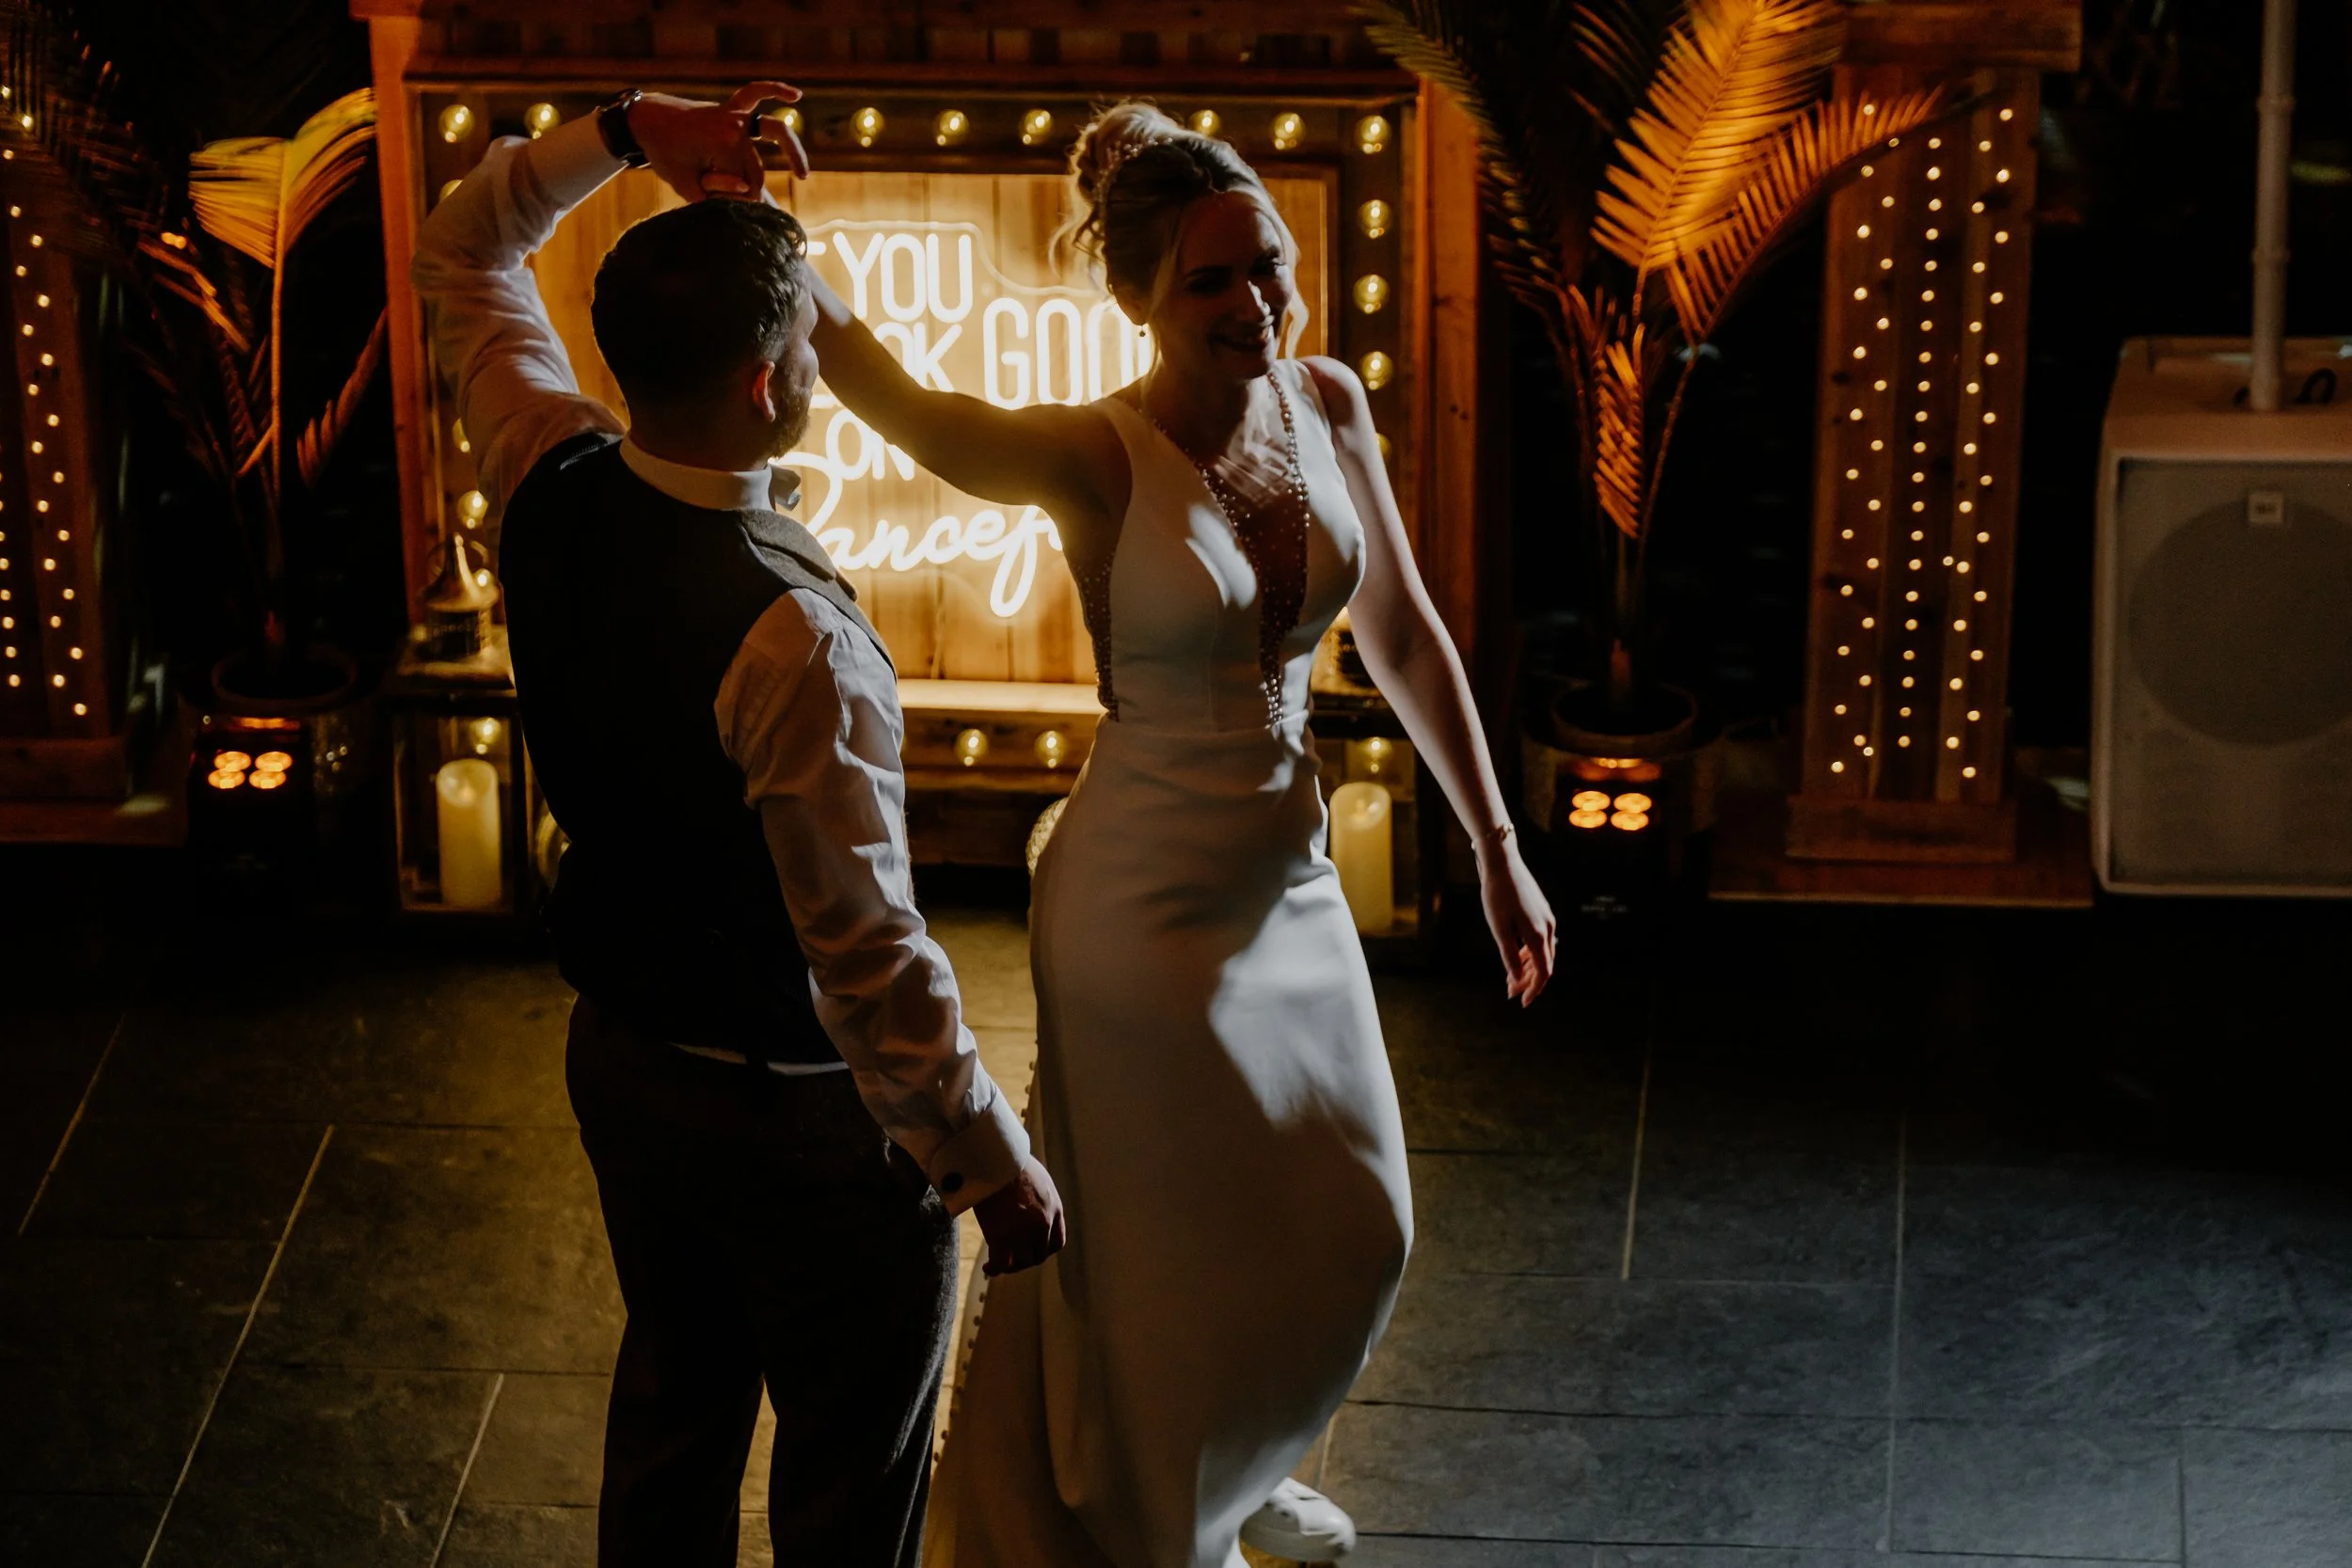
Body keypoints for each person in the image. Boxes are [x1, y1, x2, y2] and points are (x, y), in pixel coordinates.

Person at [792, 101, 1558, 1568]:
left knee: (1356, 1217)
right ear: (1141, 299)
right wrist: (787, 247)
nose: (1257, 301)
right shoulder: (1098, 457)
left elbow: (1397, 628)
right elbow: (913, 413)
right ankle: (1165, 1520)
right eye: (1213, 280)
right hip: (1134, 906)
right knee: (1155, 1263)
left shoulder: (1329, 401)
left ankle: (1243, 1454)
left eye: (1267, 263)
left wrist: (1498, 842)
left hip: (1285, 878)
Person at [410, 83, 1065, 1568]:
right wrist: (985, 1157)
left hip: (630, 1067)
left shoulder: (544, 471)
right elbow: (866, 951)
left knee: (673, 1421)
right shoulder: (799, 642)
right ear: (775, 383)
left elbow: (462, 251)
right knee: (850, 1480)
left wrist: (627, 130)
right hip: (808, 1122)